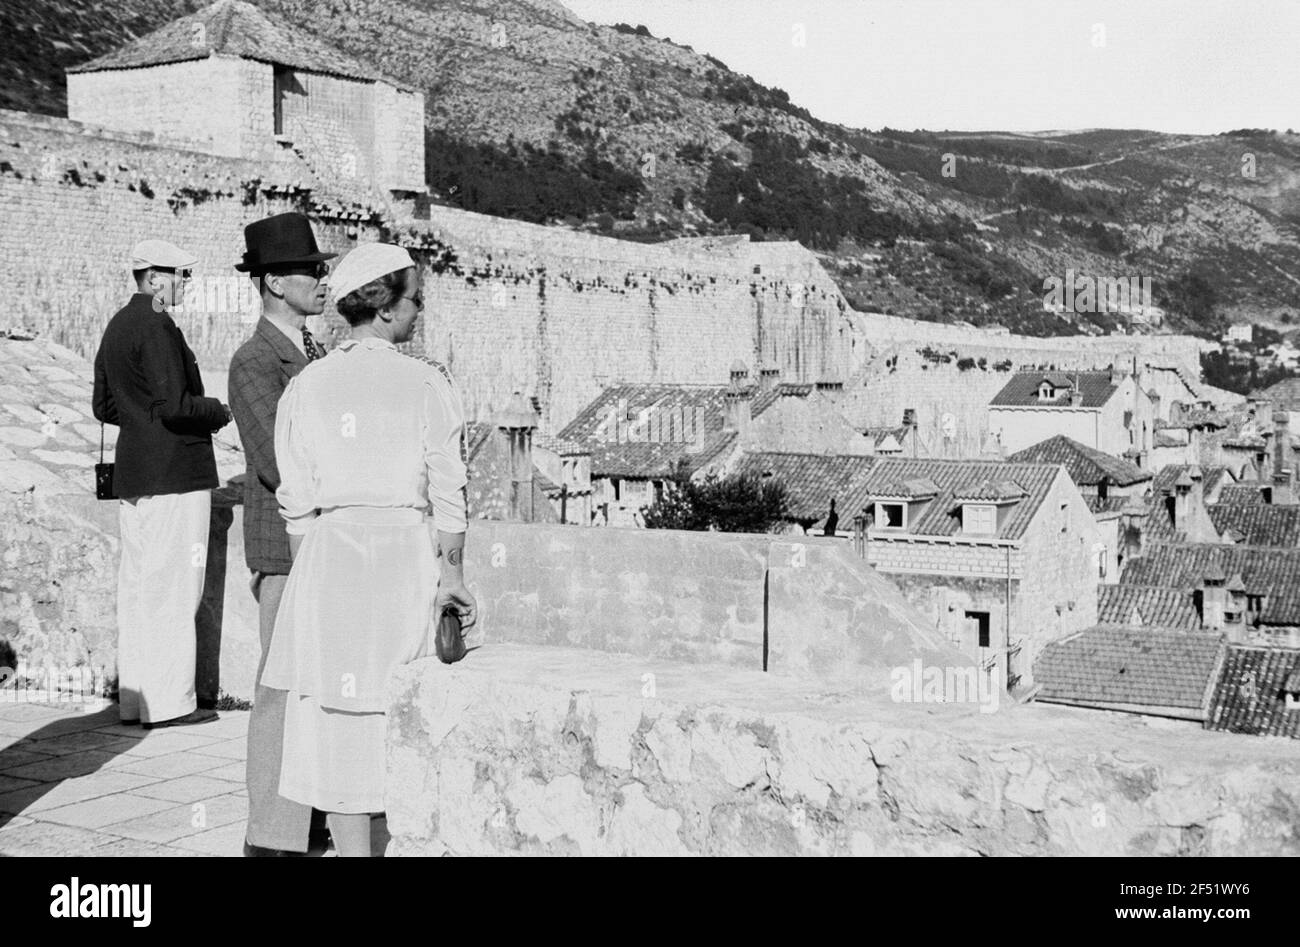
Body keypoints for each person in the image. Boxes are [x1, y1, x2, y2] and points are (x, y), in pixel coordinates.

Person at [261, 242, 478, 857]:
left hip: (328, 559)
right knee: (398, 711)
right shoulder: (426, 382)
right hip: (402, 557)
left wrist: (314, 584)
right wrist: (452, 577)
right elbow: (450, 494)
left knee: (337, 727)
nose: (419, 310)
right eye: (414, 299)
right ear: (384, 307)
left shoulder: (307, 385)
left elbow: (296, 502)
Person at [227, 213, 336, 857]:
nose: (322, 280)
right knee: (279, 690)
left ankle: (311, 814)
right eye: (310, 270)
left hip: (321, 545)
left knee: (316, 686)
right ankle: (270, 832)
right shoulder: (254, 361)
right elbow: (276, 460)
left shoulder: (311, 352)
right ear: (273, 282)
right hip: (285, 548)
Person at [91, 239, 232, 729]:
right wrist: (218, 411)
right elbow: (175, 406)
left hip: (135, 474)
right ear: (154, 278)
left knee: (139, 589)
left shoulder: (118, 324)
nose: (186, 284)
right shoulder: (157, 325)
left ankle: (136, 702)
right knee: (173, 589)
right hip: (176, 473)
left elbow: (104, 406)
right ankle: (169, 703)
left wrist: (141, 421)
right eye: (180, 276)